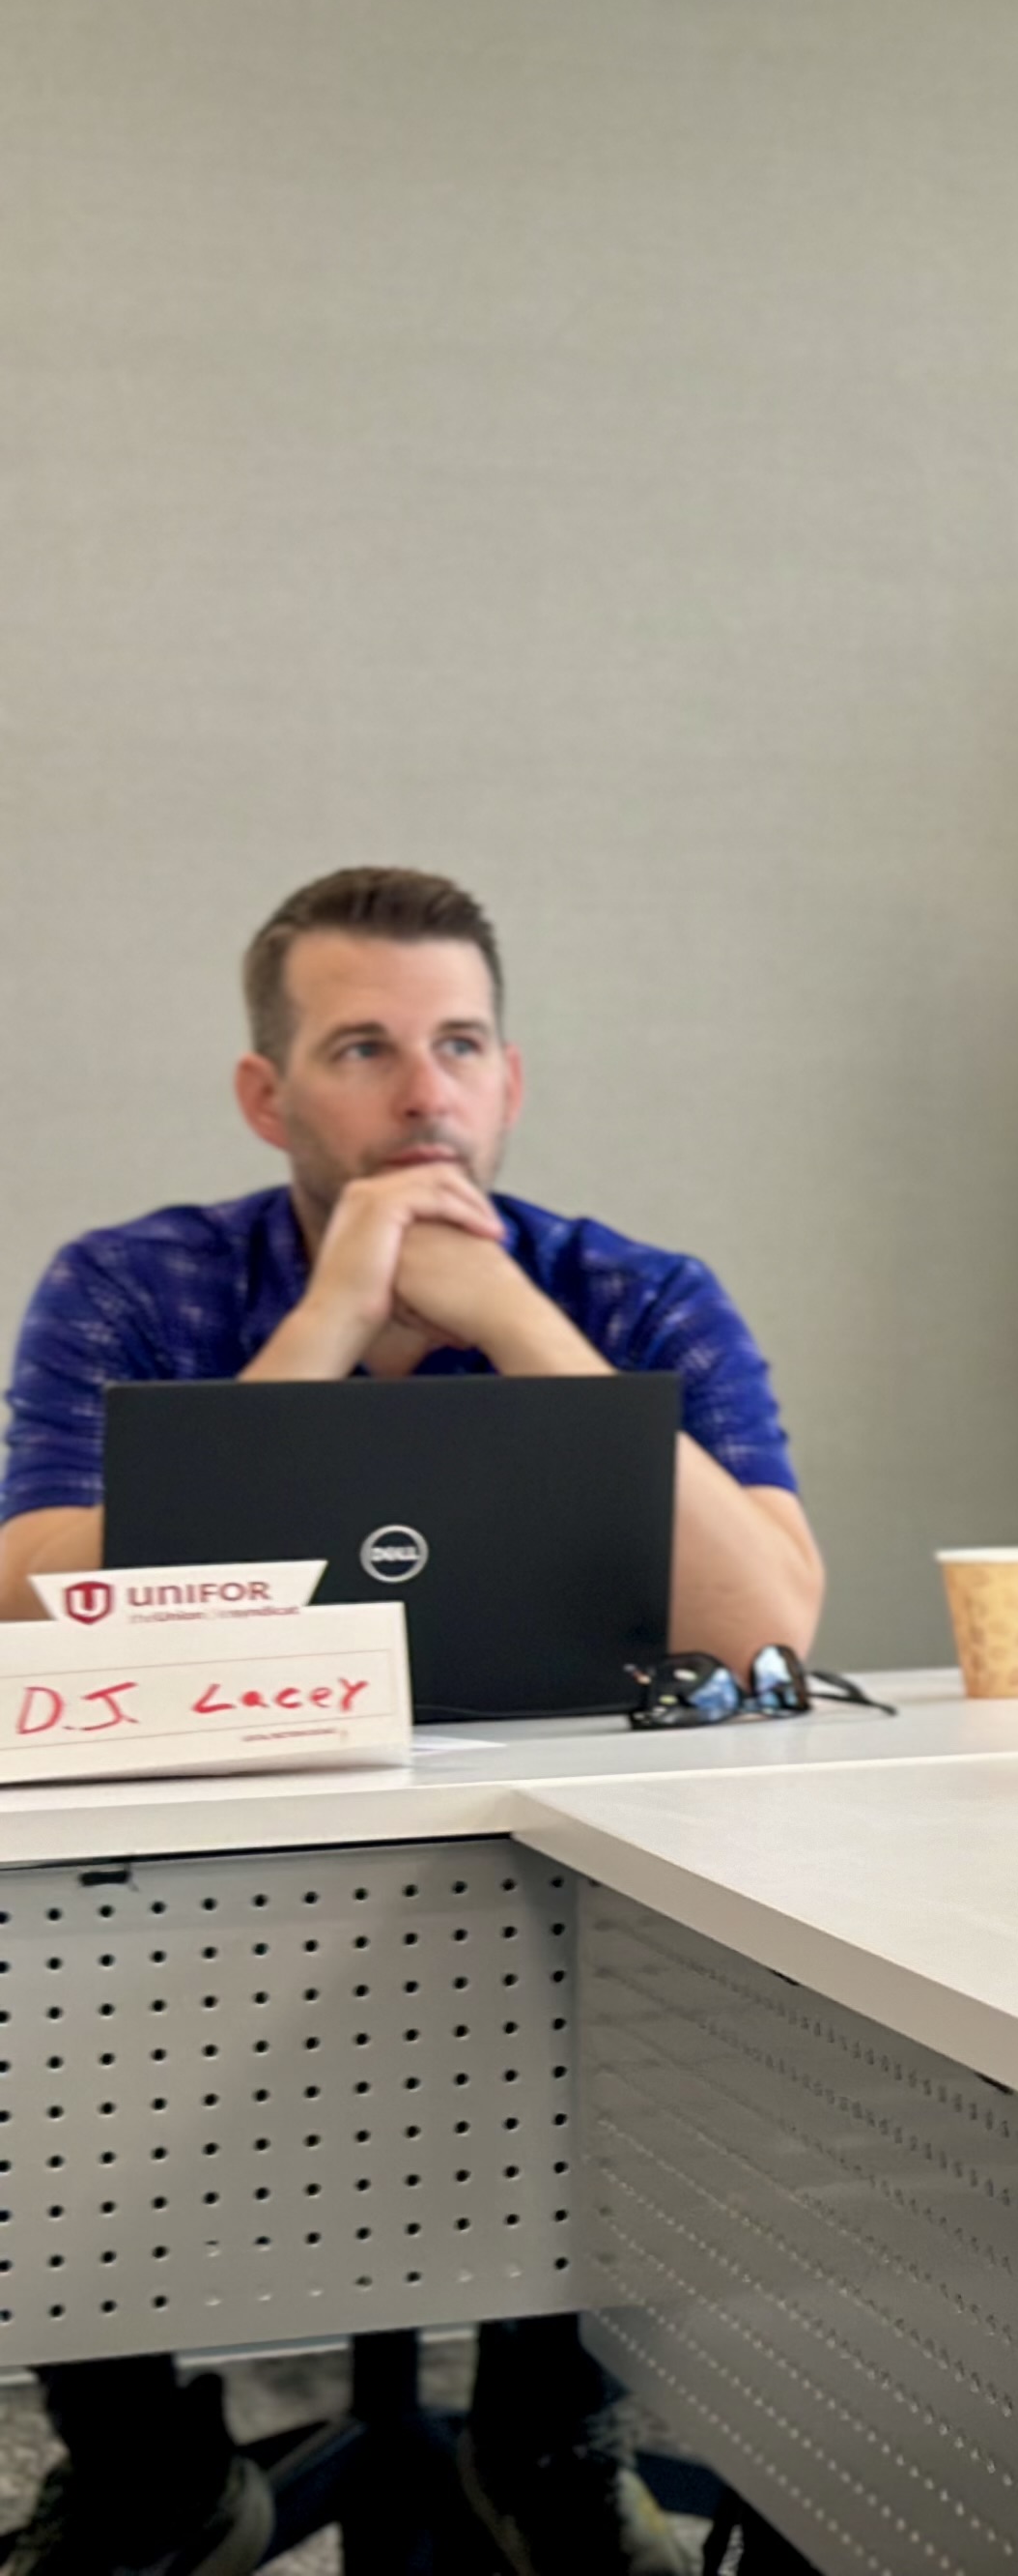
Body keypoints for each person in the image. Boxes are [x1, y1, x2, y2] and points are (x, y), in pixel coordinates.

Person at [0, 866, 822, 2576]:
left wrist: (512, 1317)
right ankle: (153, 2464)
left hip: (569, 1884)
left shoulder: (638, 1289)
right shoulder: (132, 1282)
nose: (424, 1090)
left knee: (686, 1943)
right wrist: (334, 1316)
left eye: (459, 1043)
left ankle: (552, 2433)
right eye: (364, 1045)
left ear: (509, 1077)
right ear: (268, 1090)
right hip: (198, 1872)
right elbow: (34, 1589)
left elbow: (767, 1618)